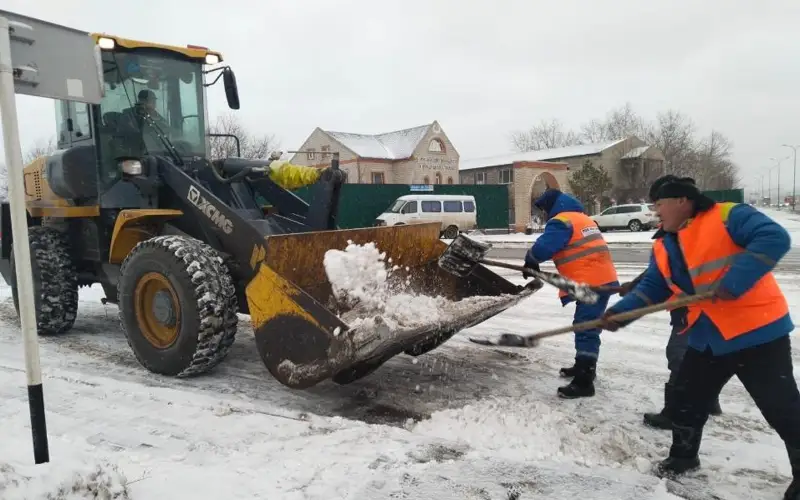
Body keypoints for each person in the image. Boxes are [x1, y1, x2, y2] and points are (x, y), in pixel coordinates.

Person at [598, 175, 800, 499]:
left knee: (783, 409)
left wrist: (733, 282)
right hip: (707, 337)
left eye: (658, 204)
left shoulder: (728, 215)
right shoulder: (664, 243)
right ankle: (683, 458)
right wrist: (620, 314)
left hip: (758, 333)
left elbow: (774, 237)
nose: (655, 211)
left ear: (682, 200)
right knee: (687, 399)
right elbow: (653, 286)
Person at [617, 177, 721, 431]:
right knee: (704, 357)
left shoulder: (687, 232)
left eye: (657, 203)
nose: (655, 210)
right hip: (696, 309)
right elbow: (662, 271)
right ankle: (708, 400)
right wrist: (636, 285)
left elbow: (674, 273)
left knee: (680, 357)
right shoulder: (679, 231)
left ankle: (674, 413)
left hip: (694, 309)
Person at [524, 188, 619, 398]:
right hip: (602, 279)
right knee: (585, 325)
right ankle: (583, 368)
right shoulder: (583, 219)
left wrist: (531, 257)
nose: (544, 214)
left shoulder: (561, 221)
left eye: (544, 209)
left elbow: (545, 247)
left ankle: (584, 381)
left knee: (586, 328)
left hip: (591, 282)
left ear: (552, 206)